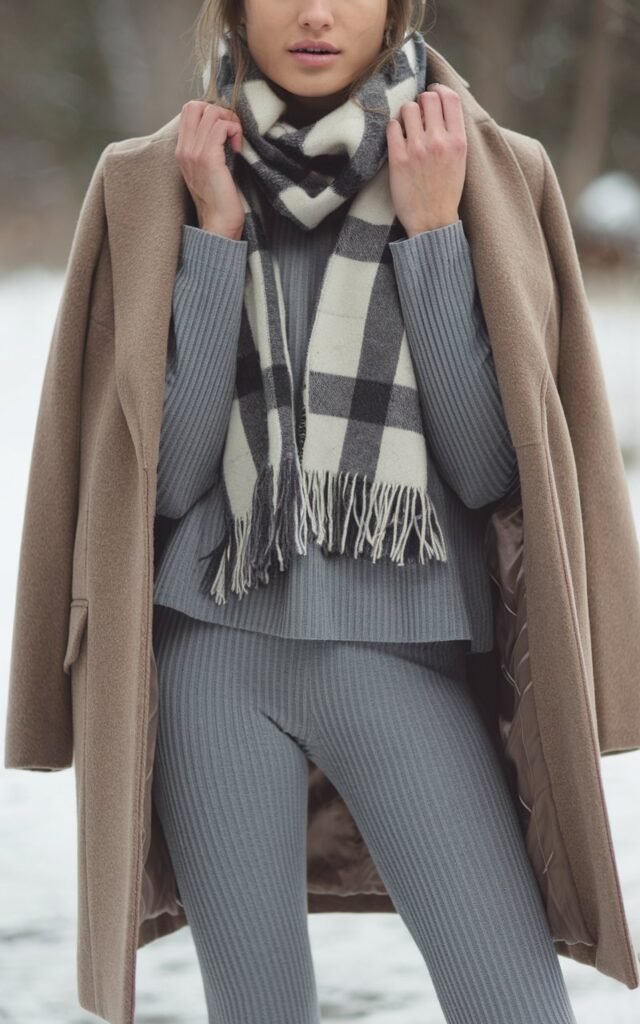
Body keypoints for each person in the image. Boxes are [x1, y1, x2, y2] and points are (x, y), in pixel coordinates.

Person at [150, 2, 577, 1022]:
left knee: (513, 1002)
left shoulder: (482, 167)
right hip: (211, 653)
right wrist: (213, 233)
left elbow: (484, 471)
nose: (313, 11)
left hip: (404, 643)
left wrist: (431, 230)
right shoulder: (161, 175)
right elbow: (163, 482)